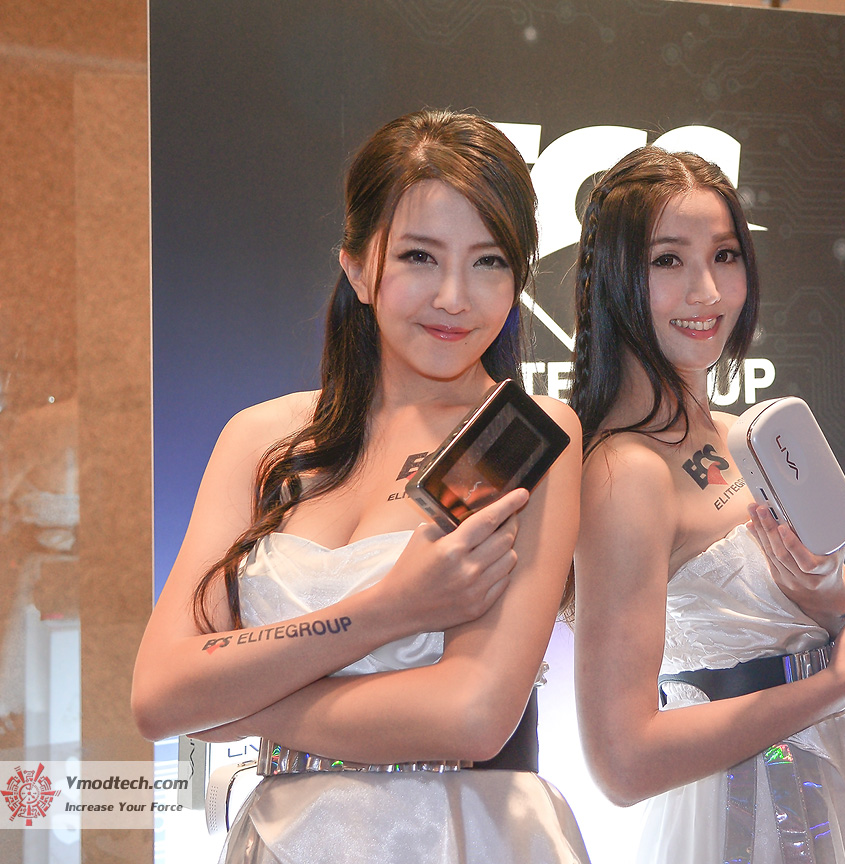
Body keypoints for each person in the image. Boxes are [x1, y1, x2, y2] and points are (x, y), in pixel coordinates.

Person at [131, 109, 589, 864]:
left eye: (489, 262)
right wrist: (387, 610)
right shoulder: (263, 440)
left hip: (460, 838)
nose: (455, 297)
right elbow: (158, 696)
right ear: (355, 266)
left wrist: (240, 702)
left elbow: (473, 714)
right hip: (281, 840)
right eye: (419, 256)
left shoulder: (518, 435)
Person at [569, 146, 845, 863]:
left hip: (828, 794)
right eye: (668, 260)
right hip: (741, 819)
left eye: (724, 256)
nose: (706, 291)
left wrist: (823, 590)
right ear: (613, 276)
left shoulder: (748, 437)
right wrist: (834, 683)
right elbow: (623, 763)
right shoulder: (626, 472)